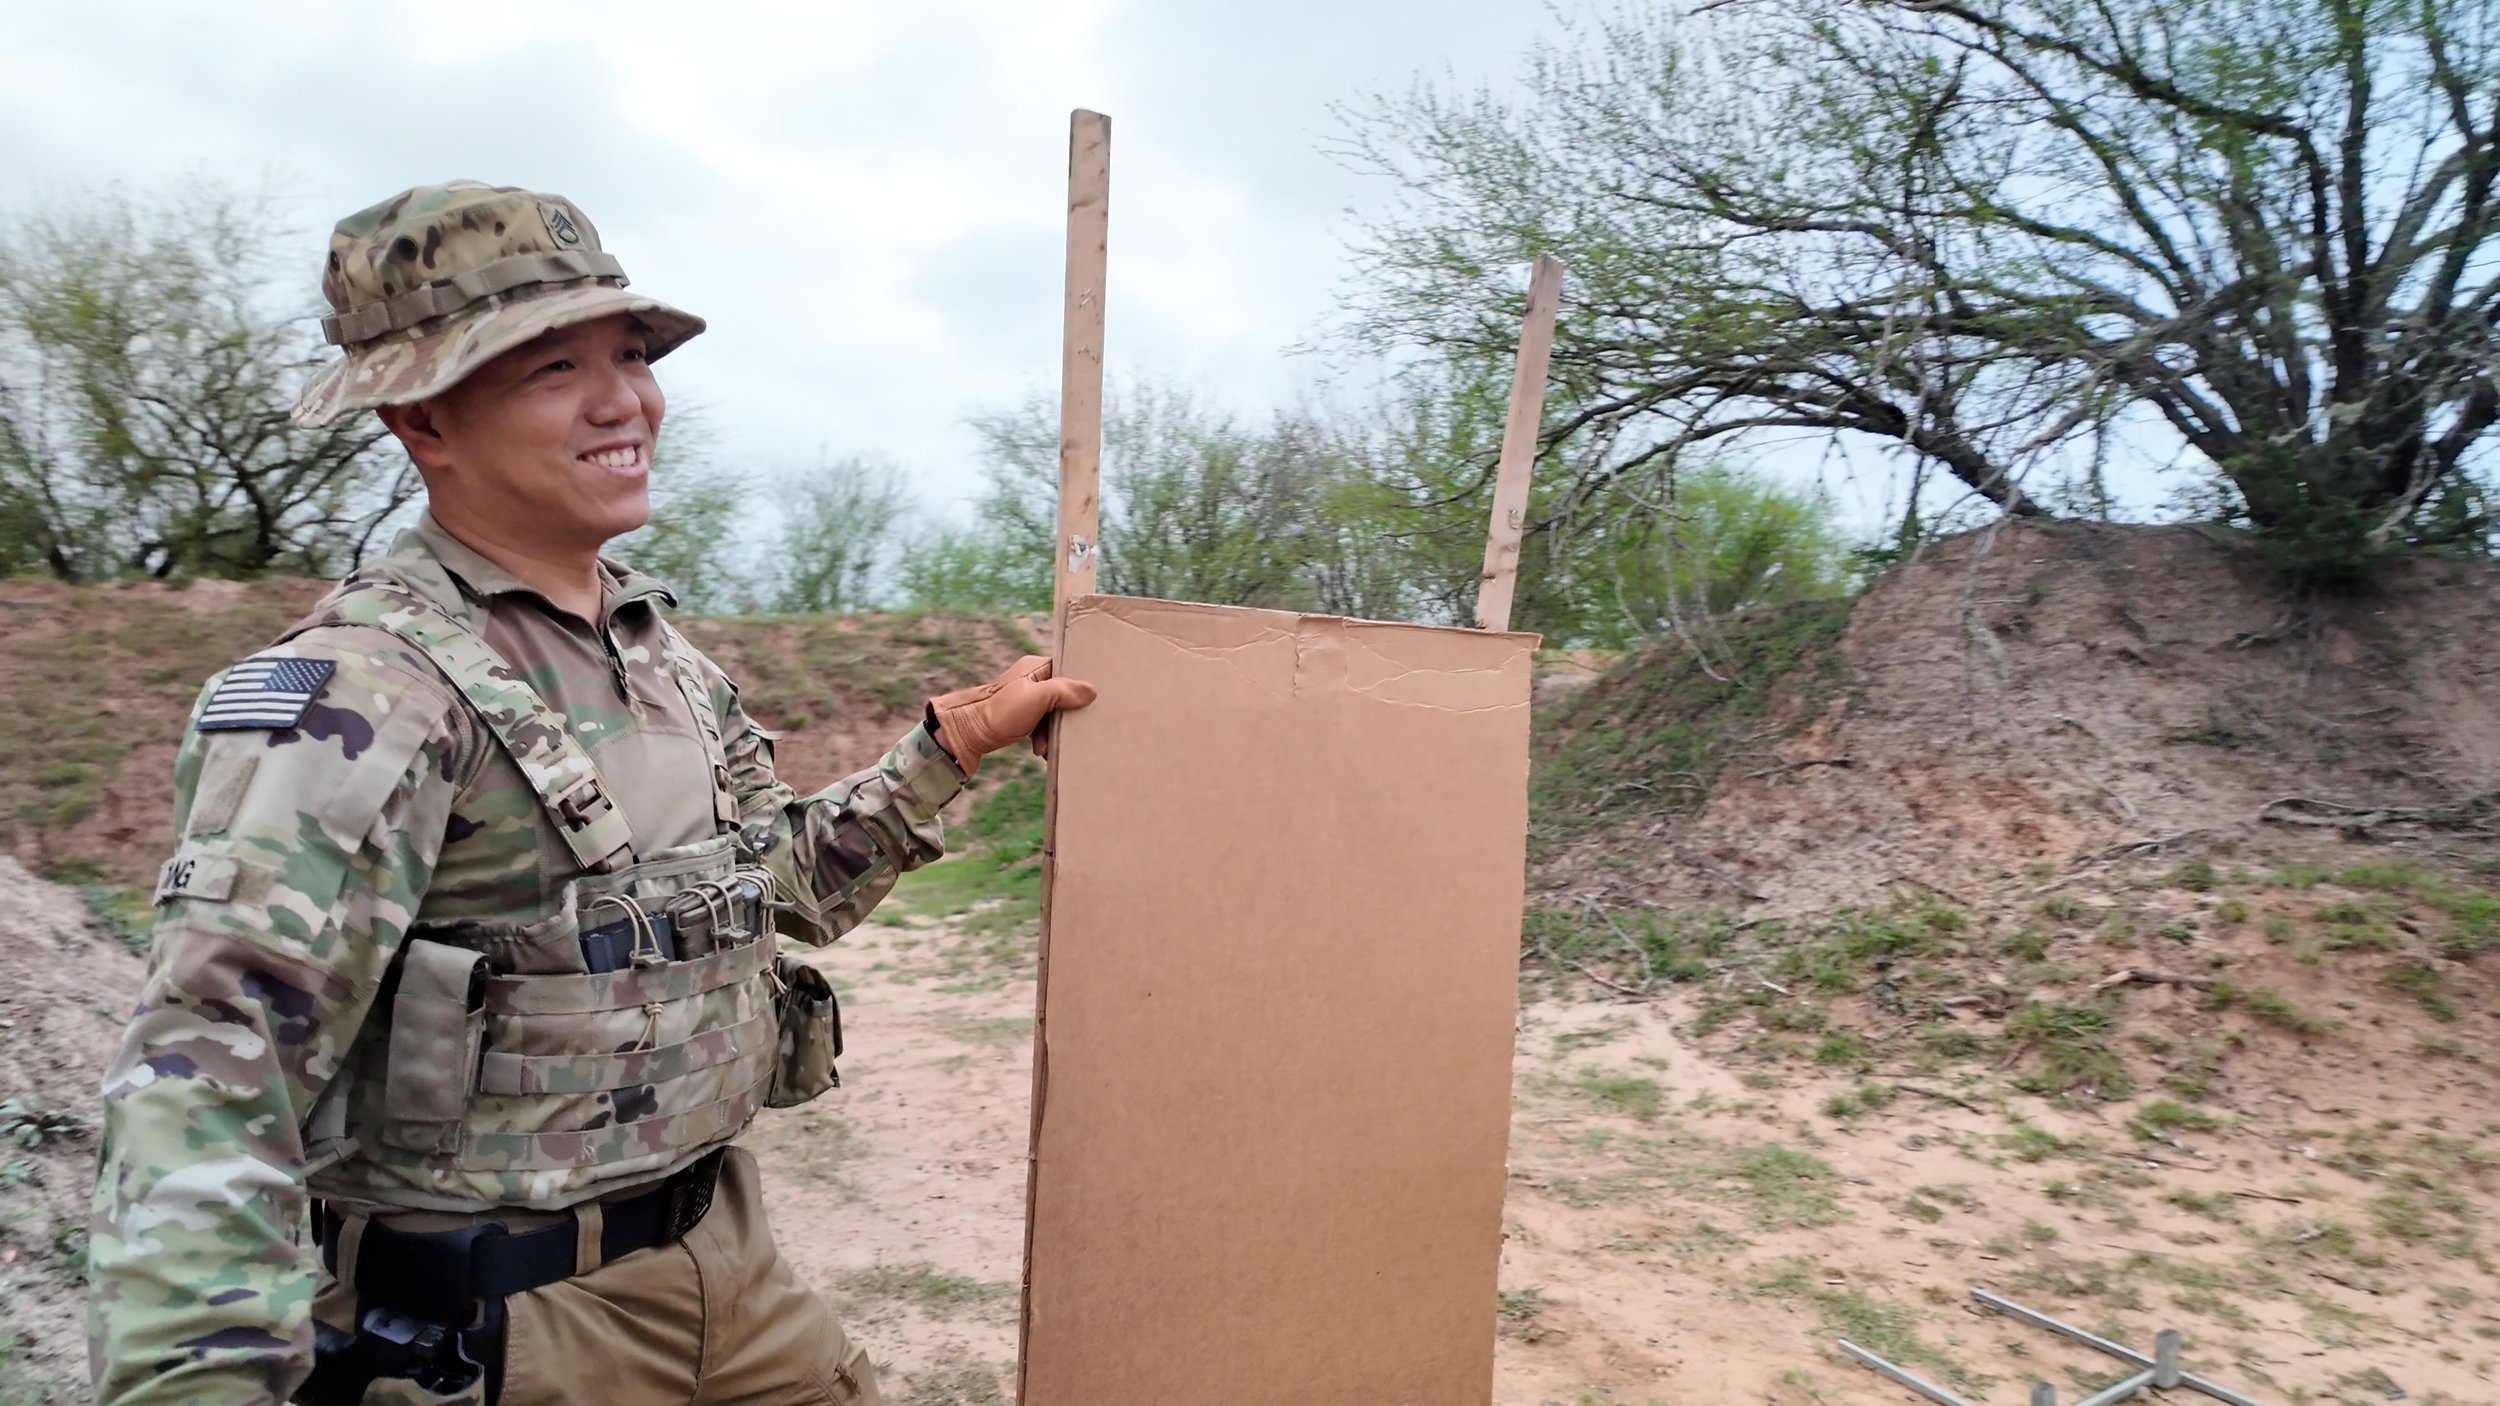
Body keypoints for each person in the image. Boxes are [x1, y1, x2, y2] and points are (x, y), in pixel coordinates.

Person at [85, 179, 1094, 1406]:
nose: (625, 400)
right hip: (500, 1328)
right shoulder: (359, 691)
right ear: (424, 418)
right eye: (553, 366)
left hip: (729, 1268)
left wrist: (952, 746)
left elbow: (778, 890)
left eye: (630, 354)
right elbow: (210, 1074)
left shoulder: (657, 652)